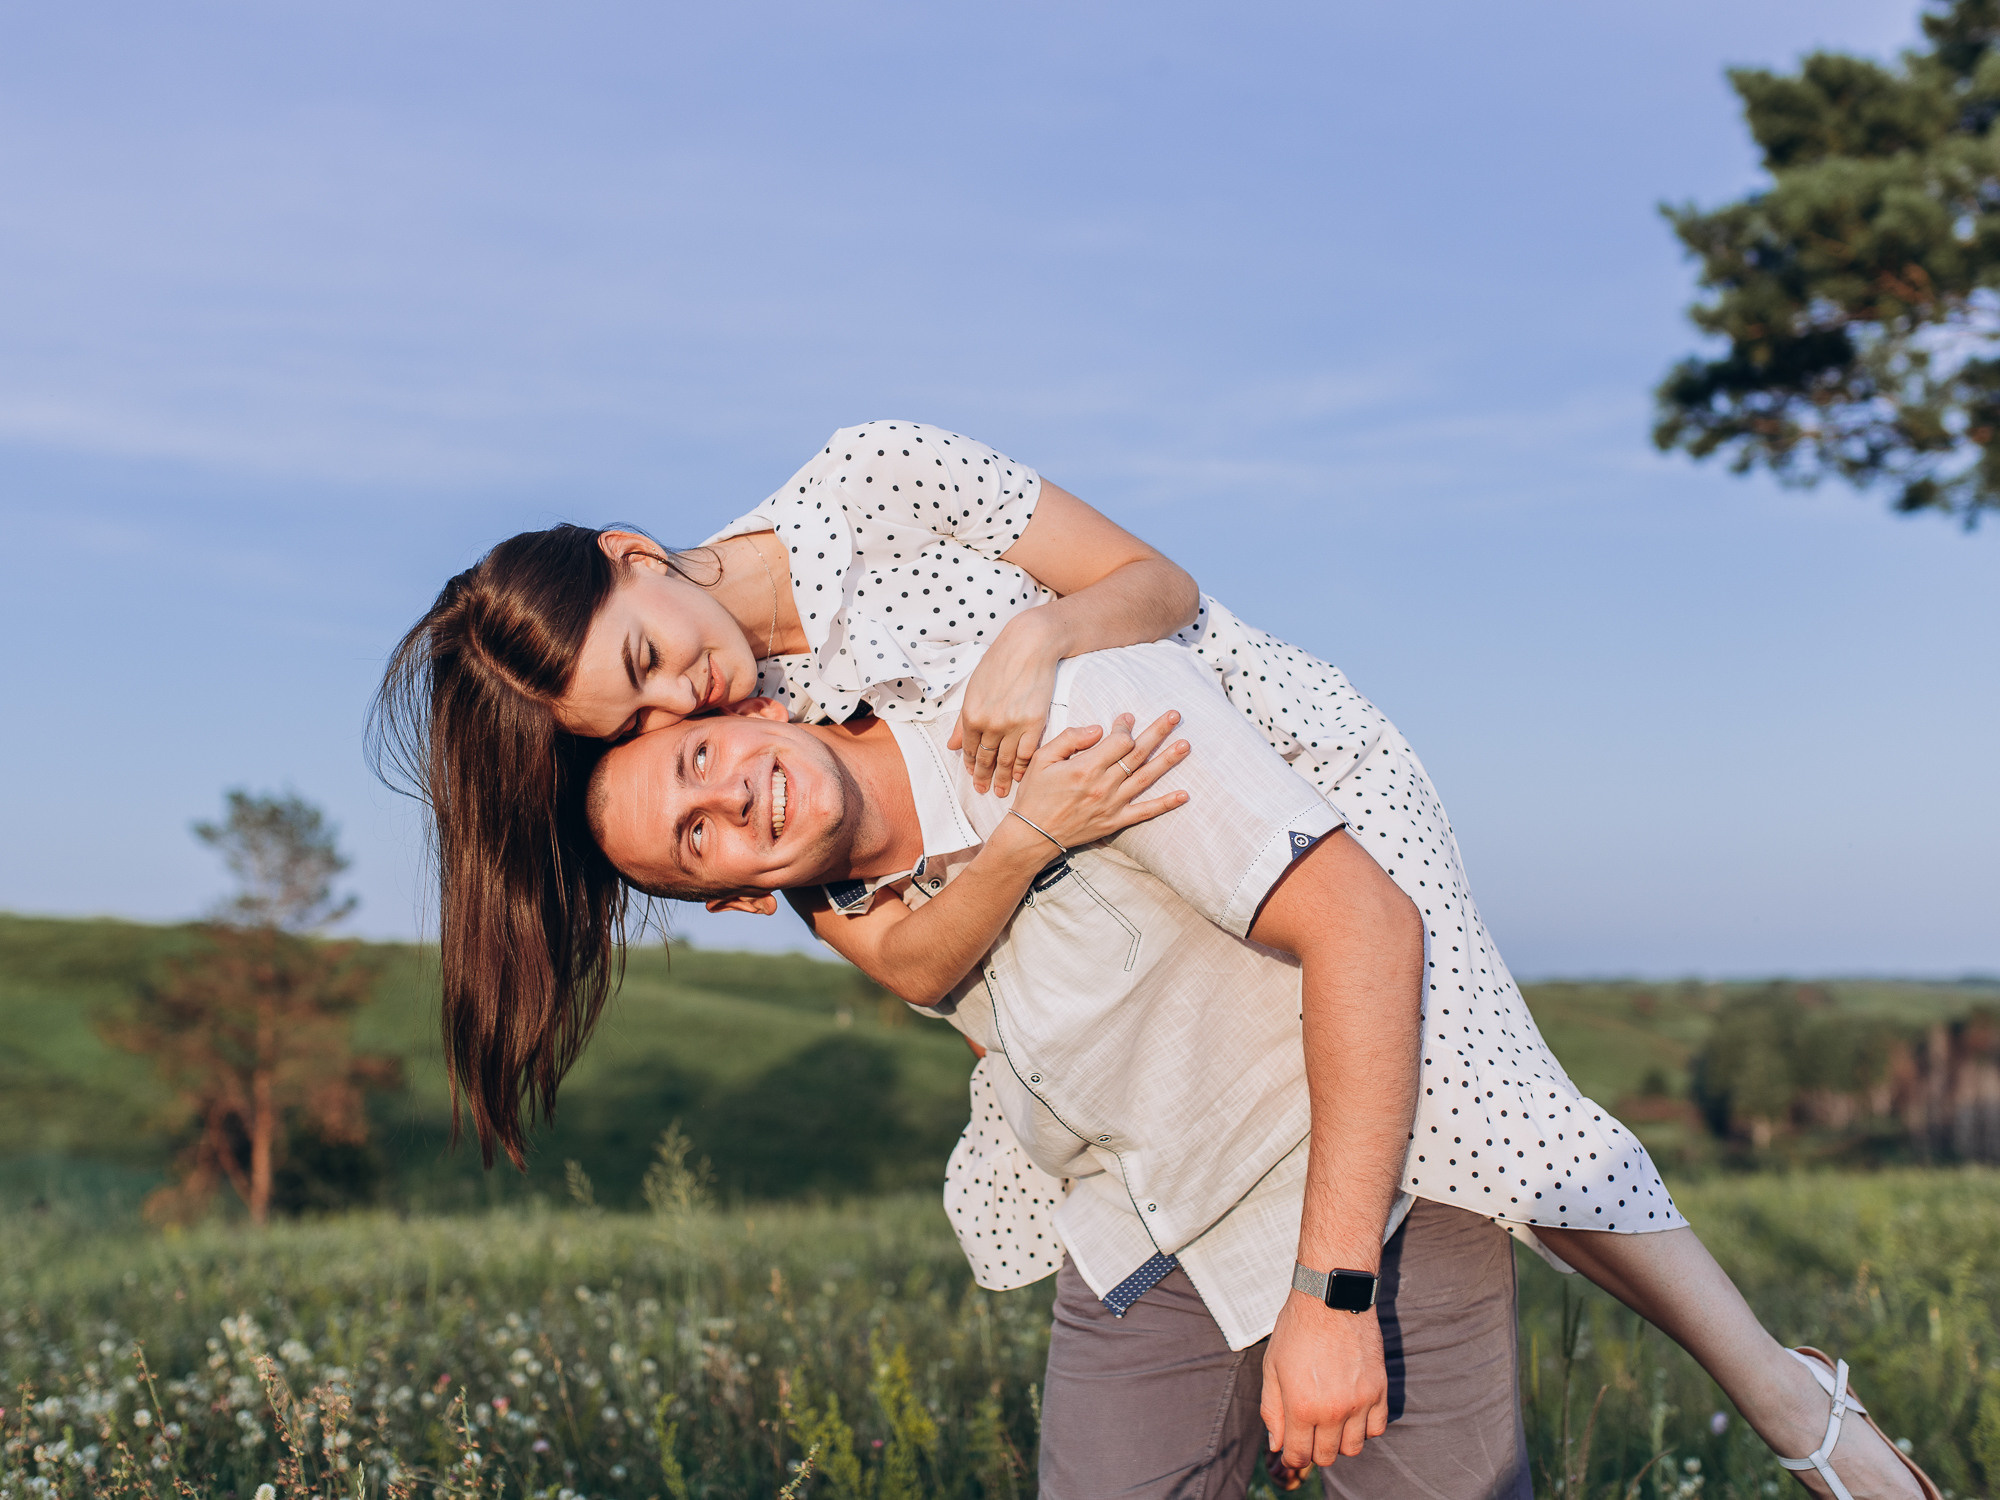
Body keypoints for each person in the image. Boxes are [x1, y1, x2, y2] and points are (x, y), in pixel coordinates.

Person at [373, 422, 1939, 1500]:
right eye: (639, 727)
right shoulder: (758, 752)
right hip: (1118, 968)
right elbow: (917, 960)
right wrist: (1026, 841)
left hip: (1240, 740)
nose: (682, 710)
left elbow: (1159, 588)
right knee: (1409, 1124)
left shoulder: (871, 479)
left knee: (1489, 1116)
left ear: (634, 551)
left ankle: (1787, 1402)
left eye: (651, 666)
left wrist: (1041, 642)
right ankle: (1781, 1395)